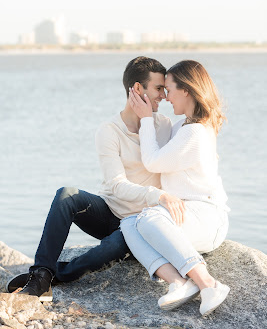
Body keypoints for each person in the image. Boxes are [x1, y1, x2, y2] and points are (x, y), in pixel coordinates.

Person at [6, 56, 172, 301]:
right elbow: (116, 184)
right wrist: (156, 194)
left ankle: (53, 274)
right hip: (108, 212)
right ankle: (41, 275)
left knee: (114, 247)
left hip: (140, 223)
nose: (164, 96)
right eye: (159, 88)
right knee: (66, 195)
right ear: (138, 89)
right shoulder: (109, 130)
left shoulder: (164, 126)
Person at [120, 60, 230, 317]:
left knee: (149, 216)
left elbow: (153, 160)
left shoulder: (196, 133)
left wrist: (147, 119)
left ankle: (208, 283)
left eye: (168, 90)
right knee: (129, 223)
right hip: (185, 216)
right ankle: (179, 282)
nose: (166, 98)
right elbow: (153, 152)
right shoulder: (181, 126)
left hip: (207, 217)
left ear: (186, 90)